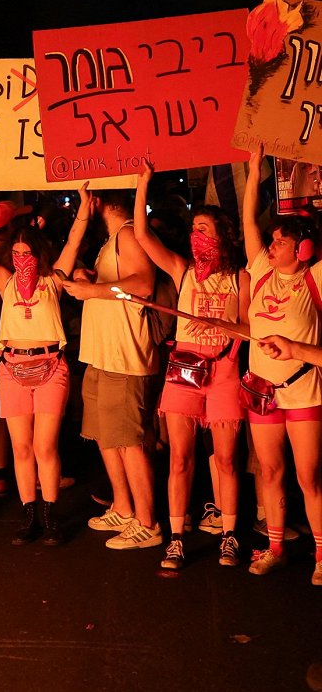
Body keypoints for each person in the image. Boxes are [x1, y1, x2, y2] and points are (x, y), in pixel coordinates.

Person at [0, 183, 90, 545]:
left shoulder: (53, 280)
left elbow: (74, 243)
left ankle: (51, 516)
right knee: (21, 448)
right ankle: (29, 515)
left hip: (50, 368)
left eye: (26, 253)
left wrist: (84, 206)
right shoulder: (5, 281)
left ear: (39, 253)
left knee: (45, 446)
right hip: (12, 368)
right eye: (16, 253)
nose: (20, 259)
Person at [134, 162, 248, 570]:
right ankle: (177, 537)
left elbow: (249, 327)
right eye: (193, 229)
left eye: (204, 229)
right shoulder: (182, 271)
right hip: (184, 371)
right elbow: (142, 235)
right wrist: (142, 184)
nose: (196, 236)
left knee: (226, 459)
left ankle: (230, 535)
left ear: (222, 236)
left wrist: (225, 324)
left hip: (223, 372)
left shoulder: (240, 279)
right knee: (180, 458)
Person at [62, 189, 163, 551]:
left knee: (128, 441)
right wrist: (89, 280)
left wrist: (95, 290)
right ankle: (123, 506)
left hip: (124, 356)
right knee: (107, 436)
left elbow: (143, 284)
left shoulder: (127, 233)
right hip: (103, 354)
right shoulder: (112, 240)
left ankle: (147, 522)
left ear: (99, 201)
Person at [241, 150, 322, 582]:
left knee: (309, 476)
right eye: (271, 242)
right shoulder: (259, 268)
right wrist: (253, 173)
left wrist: (296, 349)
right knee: (270, 471)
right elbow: (248, 224)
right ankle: (275, 546)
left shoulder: (317, 278)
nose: (270, 247)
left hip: (305, 392)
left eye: (281, 243)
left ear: (303, 249)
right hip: (263, 393)